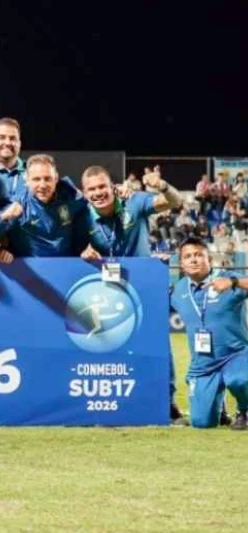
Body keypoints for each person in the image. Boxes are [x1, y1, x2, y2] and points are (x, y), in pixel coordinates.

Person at [169, 237, 248, 430]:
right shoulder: (178, 290)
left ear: (209, 259)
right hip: (203, 364)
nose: (193, 260)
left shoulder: (227, 278)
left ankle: (244, 411)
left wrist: (233, 282)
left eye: (198, 255)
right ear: (181, 264)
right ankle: (218, 410)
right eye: (188, 257)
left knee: (240, 379)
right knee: (202, 422)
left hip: (236, 354)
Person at [0, 154, 90, 257]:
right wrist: (5, 216)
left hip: (66, 268)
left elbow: (93, 216)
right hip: (33, 272)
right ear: (26, 180)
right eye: (36, 179)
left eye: (47, 179)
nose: (42, 185)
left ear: (56, 179)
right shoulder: (18, 205)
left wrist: (91, 246)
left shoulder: (71, 197)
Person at [81, 166, 183, 259]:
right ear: (85, 194)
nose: (98, 193)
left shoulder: (134, 201)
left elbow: (175, 201)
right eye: (91, 189)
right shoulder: (82, 217)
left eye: (102, 186)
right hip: (101, 276)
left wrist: (162, 185)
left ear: (112, 187)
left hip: (141, 273)